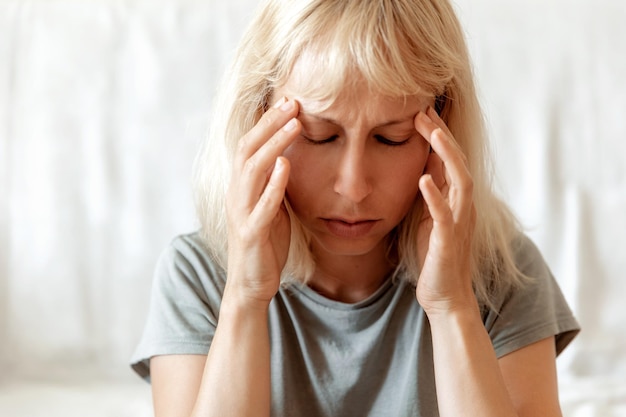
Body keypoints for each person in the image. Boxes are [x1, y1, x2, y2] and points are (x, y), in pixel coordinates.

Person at [131, 0, 580, 416]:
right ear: (257, 121)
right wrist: (245, 299)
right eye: (318, 135)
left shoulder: (502, 273)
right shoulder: (196, 276)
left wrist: (452, 307)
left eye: (392, 138)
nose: (354, 187)